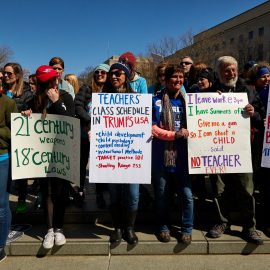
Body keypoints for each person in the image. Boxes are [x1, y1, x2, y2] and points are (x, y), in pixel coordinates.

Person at [207, 56, 263, 245]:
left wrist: (252, 112)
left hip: (241, 149)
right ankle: (222, 222)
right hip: (217, 150)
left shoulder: (248, 89)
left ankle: (250, 227)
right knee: (219, 188)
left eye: (233, 69)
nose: (230, 73)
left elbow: (260, 116)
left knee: (246, 188)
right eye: (226, 70)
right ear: (218, 72)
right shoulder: (210, 91)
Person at [22, 65, 75, 249]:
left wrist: (56, 102)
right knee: (48, 192)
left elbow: (70, 120)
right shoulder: (35, 99)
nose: (52, 83)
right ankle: (49, 229)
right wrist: (27, 114)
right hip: (43, 155)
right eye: (47, 81)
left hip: (61, 154)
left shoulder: (66, 97)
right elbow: (29, 122)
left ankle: (59, 228)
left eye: (54, 79)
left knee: (61, 192)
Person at [152, 64, 193, 244]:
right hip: (161, 156)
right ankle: (163, 227)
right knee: (162, 194)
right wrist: (173, 135)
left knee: (187, 195)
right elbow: (153, 128)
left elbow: (204, 121)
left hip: (185, 156)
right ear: (166, 80)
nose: (178, 80)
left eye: (181, 77)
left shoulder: (190, 101)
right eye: (174, 77)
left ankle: (187, 229)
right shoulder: (156, 100)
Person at [102, 59, 139, 245]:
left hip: (132, 154)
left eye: (119, 73)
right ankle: (117, 227)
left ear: (126, 77)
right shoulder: (102, 98)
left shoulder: (136, 99)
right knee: (115, 193)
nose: (114, 76)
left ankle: (129, 227)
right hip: (111, 152)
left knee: (132, 194)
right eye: (112, 74)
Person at [74, 63, 110, 208]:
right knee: (82, 164)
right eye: (97, 72)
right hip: (85, 133)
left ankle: (100, 194)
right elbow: (78, 106)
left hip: (103, 135)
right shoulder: (86, 88)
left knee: (100, 165)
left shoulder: (111, 92)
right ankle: (80, 191)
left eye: (103, 72)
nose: (100, 74)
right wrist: (90, 119)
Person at [2, 62, 34, 214]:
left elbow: (35, 110)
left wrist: (29, 112)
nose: (6, 76)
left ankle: (21, 198)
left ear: (17, 75)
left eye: (10, 73)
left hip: (20, 137)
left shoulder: (26, 92)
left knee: (21, 170)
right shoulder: (1, 89)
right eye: (5, 73)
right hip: (4, 138)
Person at [247, 62, 270, 237]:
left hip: (267, 145)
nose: (267, 78)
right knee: (259, 181)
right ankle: (260, 219)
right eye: (263, 76)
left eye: (268, 75)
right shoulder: (250, 92)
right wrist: (258, 116)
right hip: (256, 143)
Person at [0, 92, 17, 262]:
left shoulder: (8, 103)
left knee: (1, 204)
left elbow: (15, 133)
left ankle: (0, 245)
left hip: (2, 158)